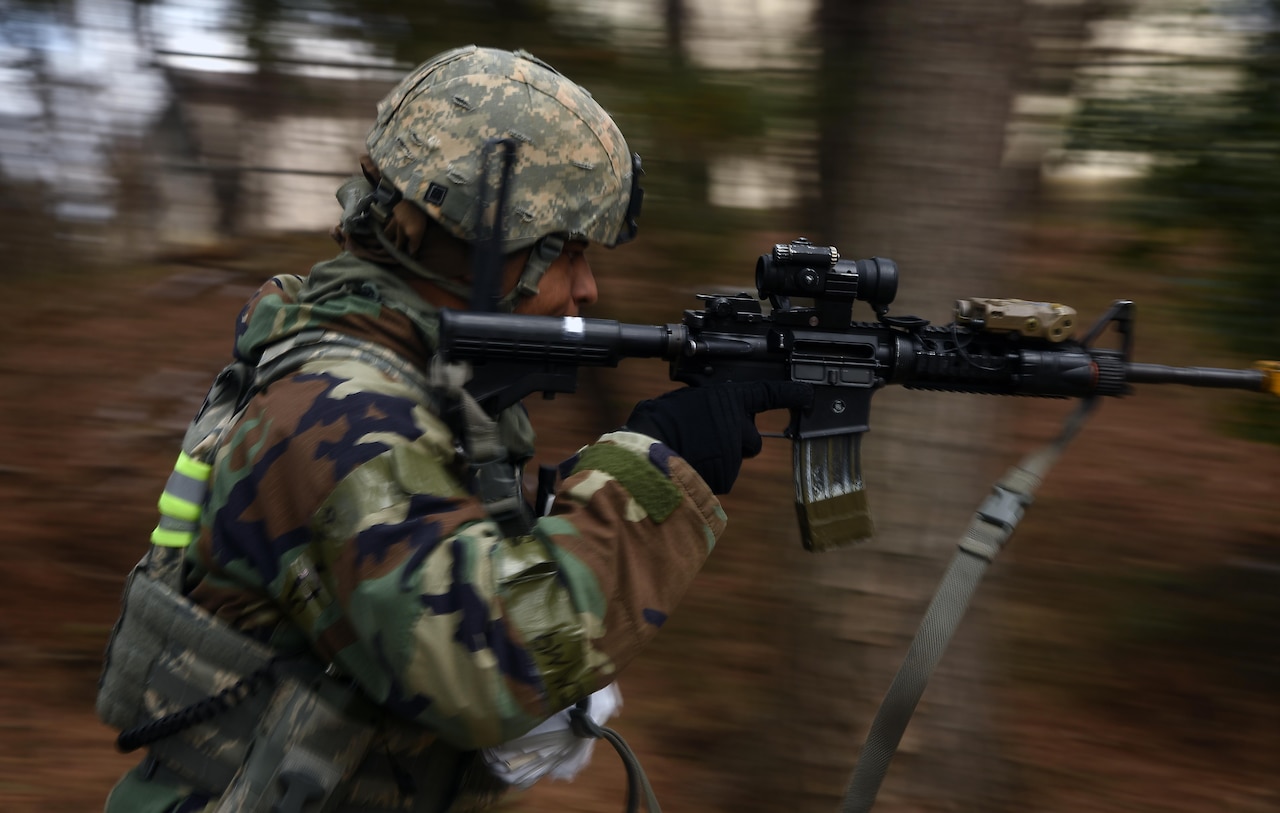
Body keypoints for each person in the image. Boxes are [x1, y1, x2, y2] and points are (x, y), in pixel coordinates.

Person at [98, 44, 810, 813]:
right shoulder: (336, 409)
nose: (587, 286)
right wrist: (651, 474)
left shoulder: (396, 378)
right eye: (563, 252)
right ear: (477, 240)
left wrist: (551, 520)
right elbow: (486, 663)